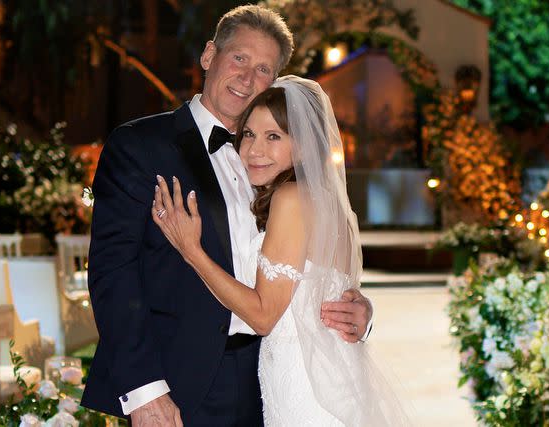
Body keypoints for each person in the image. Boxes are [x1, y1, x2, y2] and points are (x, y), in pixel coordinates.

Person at [82, 5, 373, 426]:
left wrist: (359, 312)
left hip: (270, 380)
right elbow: (113, 273)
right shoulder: (141, 145)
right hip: (177, 385)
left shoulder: (276, 165)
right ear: (208, 55)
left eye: (263, 70)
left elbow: (309, 266)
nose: (247, 78)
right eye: (239, 58)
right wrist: (145, 391)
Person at [152, 75, 411, 426]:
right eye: (248, 134)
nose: (254, 150)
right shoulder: (331, 204)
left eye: (274, 136)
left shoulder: (290, 199)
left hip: (306, 389)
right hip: (334, 380)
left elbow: (262, 316)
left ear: (304, 145)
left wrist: (191, 250)